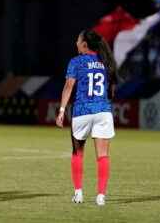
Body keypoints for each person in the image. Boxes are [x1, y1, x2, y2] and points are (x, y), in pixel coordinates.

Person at [56, 29, 118, 206]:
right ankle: (101, 197)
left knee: (77, 153)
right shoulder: (106, 61)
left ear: (84, 44)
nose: (75, 43)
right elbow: (111, 90)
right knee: (103, 156)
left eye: (77, 40)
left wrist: (61, 110)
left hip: (82, 112)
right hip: (102, 111)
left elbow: (69, 86)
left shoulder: (76, 61)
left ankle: (78, 193)